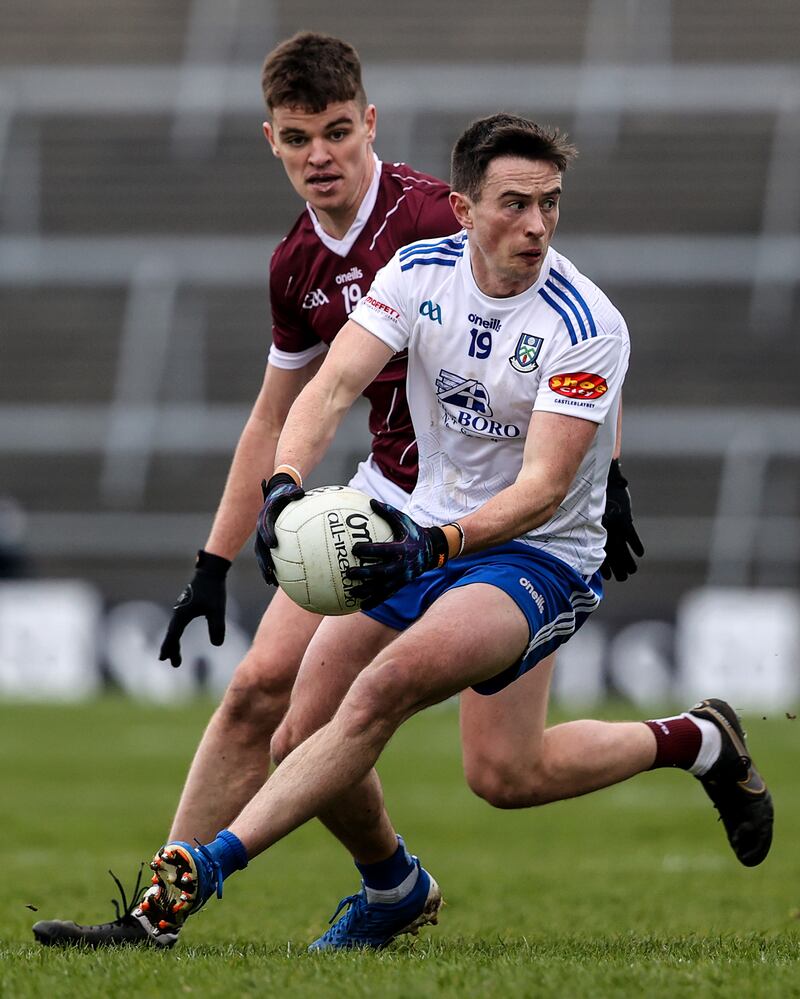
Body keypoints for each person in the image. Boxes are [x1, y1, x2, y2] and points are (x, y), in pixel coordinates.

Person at [31, 38, 641, 949]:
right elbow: (281, 410)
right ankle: (179, 909)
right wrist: (218, 555)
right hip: (389, 497)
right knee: (261, 699)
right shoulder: (297, 267)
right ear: (268, 140)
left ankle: (675, 746)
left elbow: (555, 325)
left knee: (494, 762)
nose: (320, 156)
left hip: (507, 514)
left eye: (337, 133)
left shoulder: (442, 215)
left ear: (370, 125)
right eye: (297, 138)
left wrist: (610, 476)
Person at [111, 113, 771, 951]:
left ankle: (201, 871)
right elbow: (331, 384)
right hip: (420, 522)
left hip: (537, 554)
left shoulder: (586, 322)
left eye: (550, 204)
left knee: (390, 690)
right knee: (442, 759)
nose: (535, 225)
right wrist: (283, 488)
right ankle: (689, 743)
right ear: (462, 210)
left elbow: (540, 490)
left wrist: (439, 545)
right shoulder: (418, 269)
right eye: (514, 204)